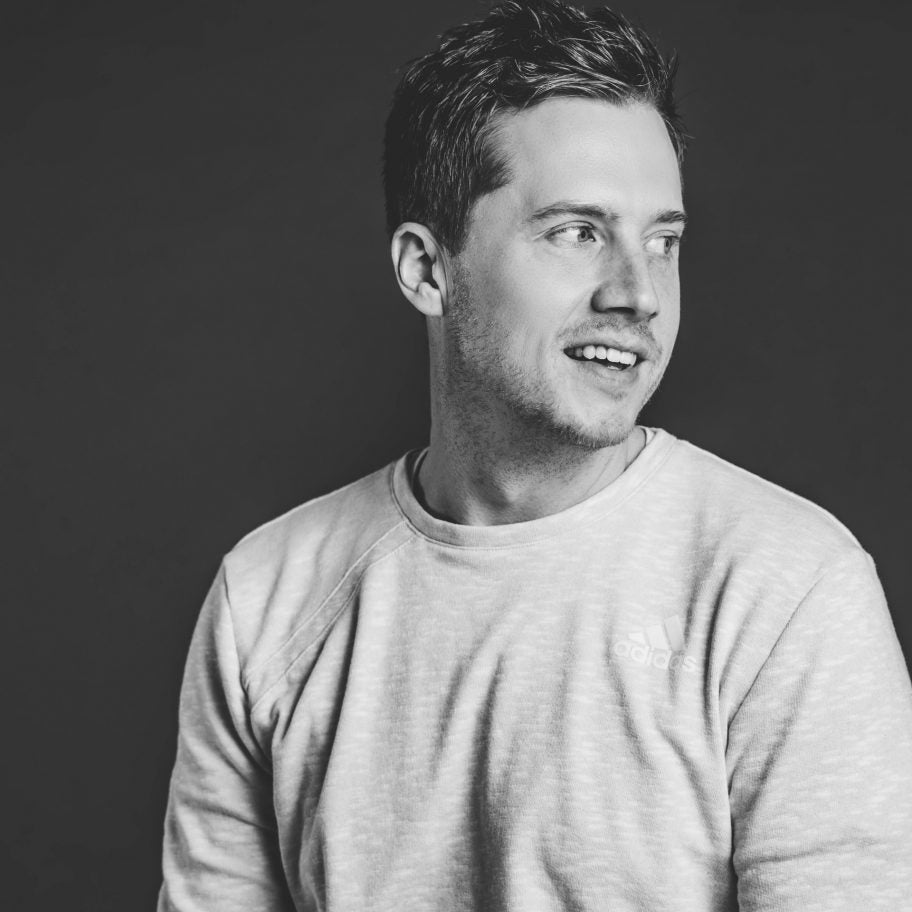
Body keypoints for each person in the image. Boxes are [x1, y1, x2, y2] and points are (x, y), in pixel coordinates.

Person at [157, 1, 912, 909]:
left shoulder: (786, 588)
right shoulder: (266, 600)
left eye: (663, 242)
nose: (639, 294)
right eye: (577, 232)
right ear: (428, 269)